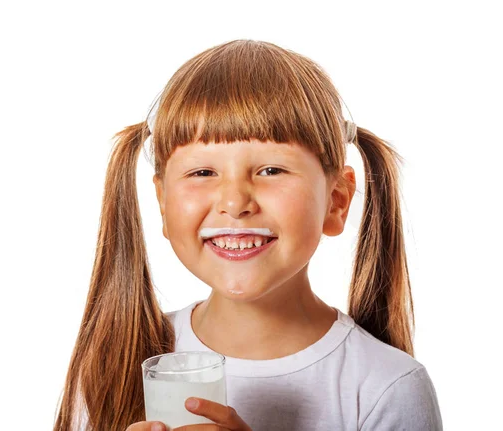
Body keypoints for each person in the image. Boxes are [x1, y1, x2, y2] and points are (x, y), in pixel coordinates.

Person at [53, 39, 443, 431]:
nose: (235, 201)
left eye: (272, 170)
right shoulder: (112, 364)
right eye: (202, 173)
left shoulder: (388, 388)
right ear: (163, 204)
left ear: (336, 201)